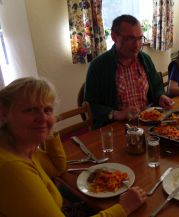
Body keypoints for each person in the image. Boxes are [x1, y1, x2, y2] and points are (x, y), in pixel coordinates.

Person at [0, 77, 147, 217]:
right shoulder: (11, 168)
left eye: (47, 110)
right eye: (30, 110)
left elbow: (58, 167)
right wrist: (123, 208)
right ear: (3, 114)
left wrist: (47, 129)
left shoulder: (25, 148)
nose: (42, 117)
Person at [84, 14, 174, 129]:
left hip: (148, 122)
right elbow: (91, 106)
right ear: (114, 37)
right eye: (130, 39)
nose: (137, 45)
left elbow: (157, 87)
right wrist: (118, 114)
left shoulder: (145, 59)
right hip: (118, 127)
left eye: (139, 38)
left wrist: (161, 96)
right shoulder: (98, 66)